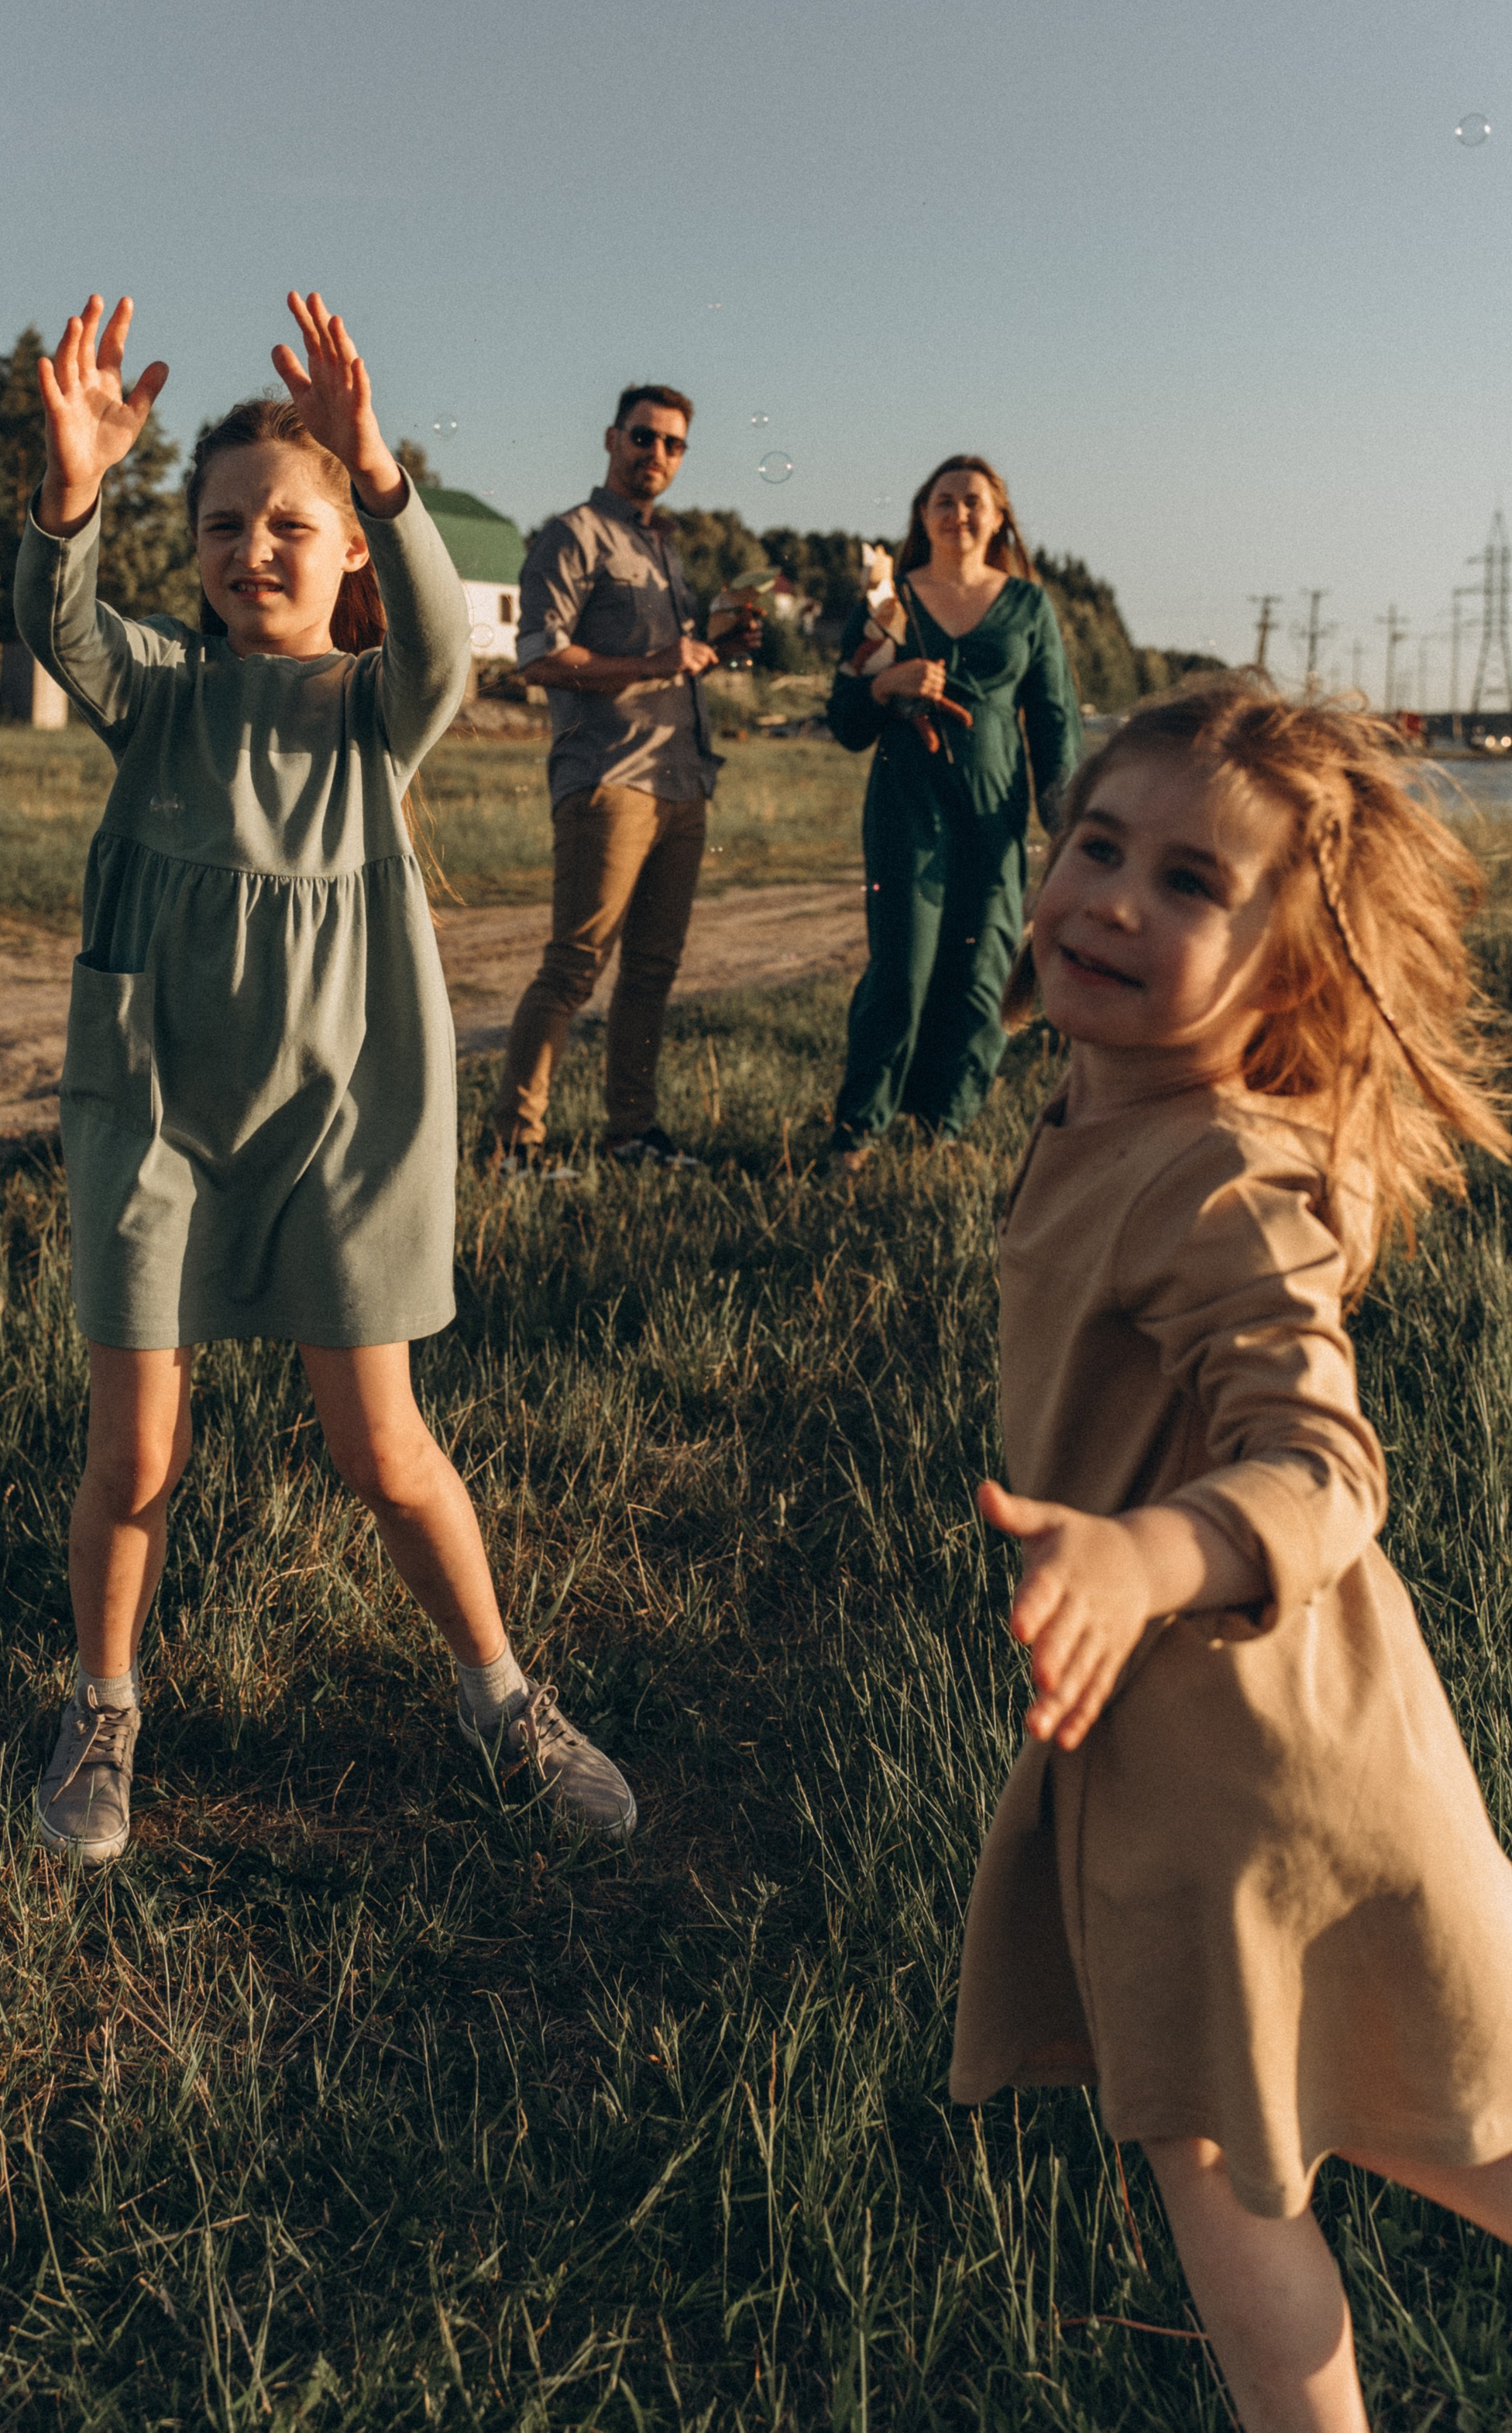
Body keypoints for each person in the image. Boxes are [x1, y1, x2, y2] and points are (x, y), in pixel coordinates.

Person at [951, 676, 1512, 2433]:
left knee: (1419, 2125)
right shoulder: (1096, 1106)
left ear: (1290, 972)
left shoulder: (1211, 1170)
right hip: (1170, 1767)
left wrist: (1140, 1557)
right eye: (1095, 842)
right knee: (1221, 2156)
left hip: (1278, 1761)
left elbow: (1322, 1460)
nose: (1110, 894)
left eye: (1193, 882)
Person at [15, 289, 636, 1860]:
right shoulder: (160, 695)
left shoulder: (373, 713)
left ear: (346, 546)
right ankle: (104, 1706)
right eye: (222, 527)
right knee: (134, 1451)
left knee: (382, 1448)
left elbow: (446, 643)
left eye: (285, 523)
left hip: (344, 1130)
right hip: (154, 1121)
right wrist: (75, 489)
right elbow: (62, 628)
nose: (251, 551)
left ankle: (497, 1692)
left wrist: (379, 469)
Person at [492, 384, 744, 1170]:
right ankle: (513, 1144)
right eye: (644, 437)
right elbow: (536, 658)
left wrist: (723, 640)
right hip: (608, 778)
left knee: (652, 972)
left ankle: (631, 1135)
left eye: (673, 445)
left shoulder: (662, 548)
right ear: (611, 438)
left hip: (681, 781)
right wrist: (652, 662)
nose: (656, 455)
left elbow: (675, 661)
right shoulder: (572, 536)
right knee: (574, 965)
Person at [823, 456, 1079, 1170]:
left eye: (974, 502)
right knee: (902, 967)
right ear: (921, 514)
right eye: (944, 500)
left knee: (985, 971)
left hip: (994, 812)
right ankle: (857, 1133)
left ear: (999, 518)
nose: (958, 513)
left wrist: (1069, 824)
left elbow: (1054, 720)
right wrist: (885, 686)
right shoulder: (888, 601)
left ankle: (944, 1126)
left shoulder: (1029, 607)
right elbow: (844, 719)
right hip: (907, 807)